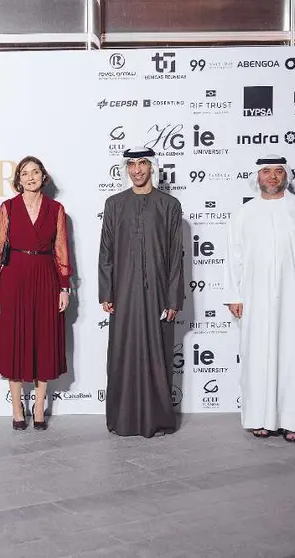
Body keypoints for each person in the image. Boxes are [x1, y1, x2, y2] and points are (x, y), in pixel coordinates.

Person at [225, 155, 295, 443]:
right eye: (266, 171)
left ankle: (292, 421)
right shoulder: (243, 213)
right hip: (254, 299)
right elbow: (234, 258)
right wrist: (234, 295)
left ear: (285, 176)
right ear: (257, 177)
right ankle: (260, 419)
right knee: (257, 358)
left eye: (277, 171)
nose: (271, 176)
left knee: (293, 357)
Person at [98, 146, 183, 438]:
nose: (137, 170)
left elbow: (175, 257)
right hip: (122, 293)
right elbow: (106, 252)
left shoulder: (169, 205)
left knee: (157, 354)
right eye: (132, 164)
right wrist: (106, 292)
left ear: (152, 167)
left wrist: (173, 298)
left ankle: (156, 420)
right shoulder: (114, 204)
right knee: (122, 353)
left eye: (143, 163)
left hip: (158, 294)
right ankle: (123, 419)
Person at [0, 156, 72, 430]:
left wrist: (64, 286)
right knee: (15, 341)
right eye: (25, 173)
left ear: (43, 177)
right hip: (14, 278)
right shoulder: (8, 207)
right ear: (18, 179)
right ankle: (16, 407)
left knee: (44, 340)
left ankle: (38, 406)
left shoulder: (56, 208)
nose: (31, 177)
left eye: (36, 172)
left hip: (46, 278)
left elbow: (61, 250)